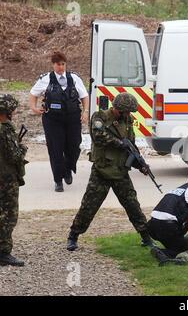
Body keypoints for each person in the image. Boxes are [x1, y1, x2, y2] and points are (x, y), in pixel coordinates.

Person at [66, 92, 153, 251]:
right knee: (89, 206)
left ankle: (146, 237)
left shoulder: (127, 120)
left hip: (120, 171)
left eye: (129, 112)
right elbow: (98, 137)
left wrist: (141, 164)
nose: (127, 115)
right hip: (102, 170)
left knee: (133, 205)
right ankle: (73, 235)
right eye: (125, 111)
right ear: (117, 108)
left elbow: (131, 146)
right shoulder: (100, 117)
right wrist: (120, 144)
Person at [29, 51, 89, 192]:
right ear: (53, 65)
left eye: (63, 64)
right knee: (56, 149)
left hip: (73, 118)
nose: (61, 67)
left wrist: (85, 112)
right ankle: (58, 180)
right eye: (58, 64)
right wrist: (34, 108)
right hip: (53, 120)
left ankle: (68, 169)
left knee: (74, 146)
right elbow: (33, 94)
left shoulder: (74, 78)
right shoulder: (45, 79)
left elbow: (84, 96)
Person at [0, 94, 28, 266]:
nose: (14, 112)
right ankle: (3, 252)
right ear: (7, 111)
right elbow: (14, 156)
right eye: (13, 110)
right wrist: (22, 148)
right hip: (6, 179)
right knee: (8, 215)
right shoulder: (4, 130)